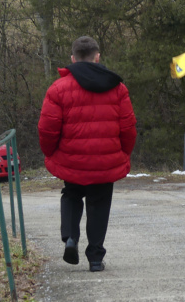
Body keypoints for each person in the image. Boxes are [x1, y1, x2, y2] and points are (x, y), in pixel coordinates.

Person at [38, 36, 136, 272]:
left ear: (73, 59)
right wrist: (122, 152)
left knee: (71, 195)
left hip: (72, 159)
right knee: (99, 203)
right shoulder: (118, 87)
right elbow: (128, 127)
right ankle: (95, 258)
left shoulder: (58, 89)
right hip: (105, 160)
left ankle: (70, 238)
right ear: (97, 57)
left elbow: (47, 128)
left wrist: (51, 153)